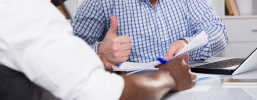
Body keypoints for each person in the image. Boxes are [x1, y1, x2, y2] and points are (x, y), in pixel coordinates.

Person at [0, 0, 196, 100]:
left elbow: (62, 53)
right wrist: (170, 77)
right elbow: (104, 94)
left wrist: (94, 57)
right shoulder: (25, 10)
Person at [71, 0, 229, 65]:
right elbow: (67, 51)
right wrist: (100, 52)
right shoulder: (100, 2)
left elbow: (219, 33)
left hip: (188, 85)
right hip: (131, 90)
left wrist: (187, 45)